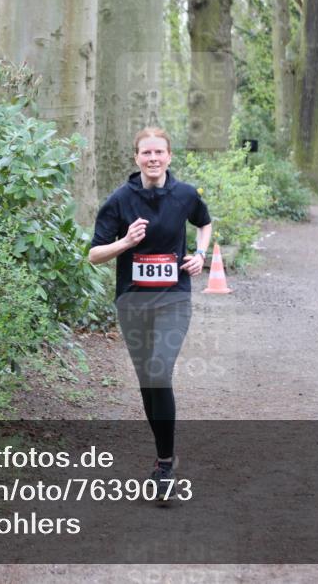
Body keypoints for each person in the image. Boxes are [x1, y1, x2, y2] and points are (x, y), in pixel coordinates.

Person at [88, 127, 212, 498]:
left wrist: (200, 256)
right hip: (133, 302)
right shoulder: (120, 201)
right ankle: (164, 458)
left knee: (159, 371)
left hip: (173, 299)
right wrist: (125, 242)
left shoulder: (186, 195)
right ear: (136, 158)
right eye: (146, 153)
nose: (153, 158)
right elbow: (94, 255)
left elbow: (204, 223)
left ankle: (163, 464)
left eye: (159, 152)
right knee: (148, 380)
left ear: (169, 157)